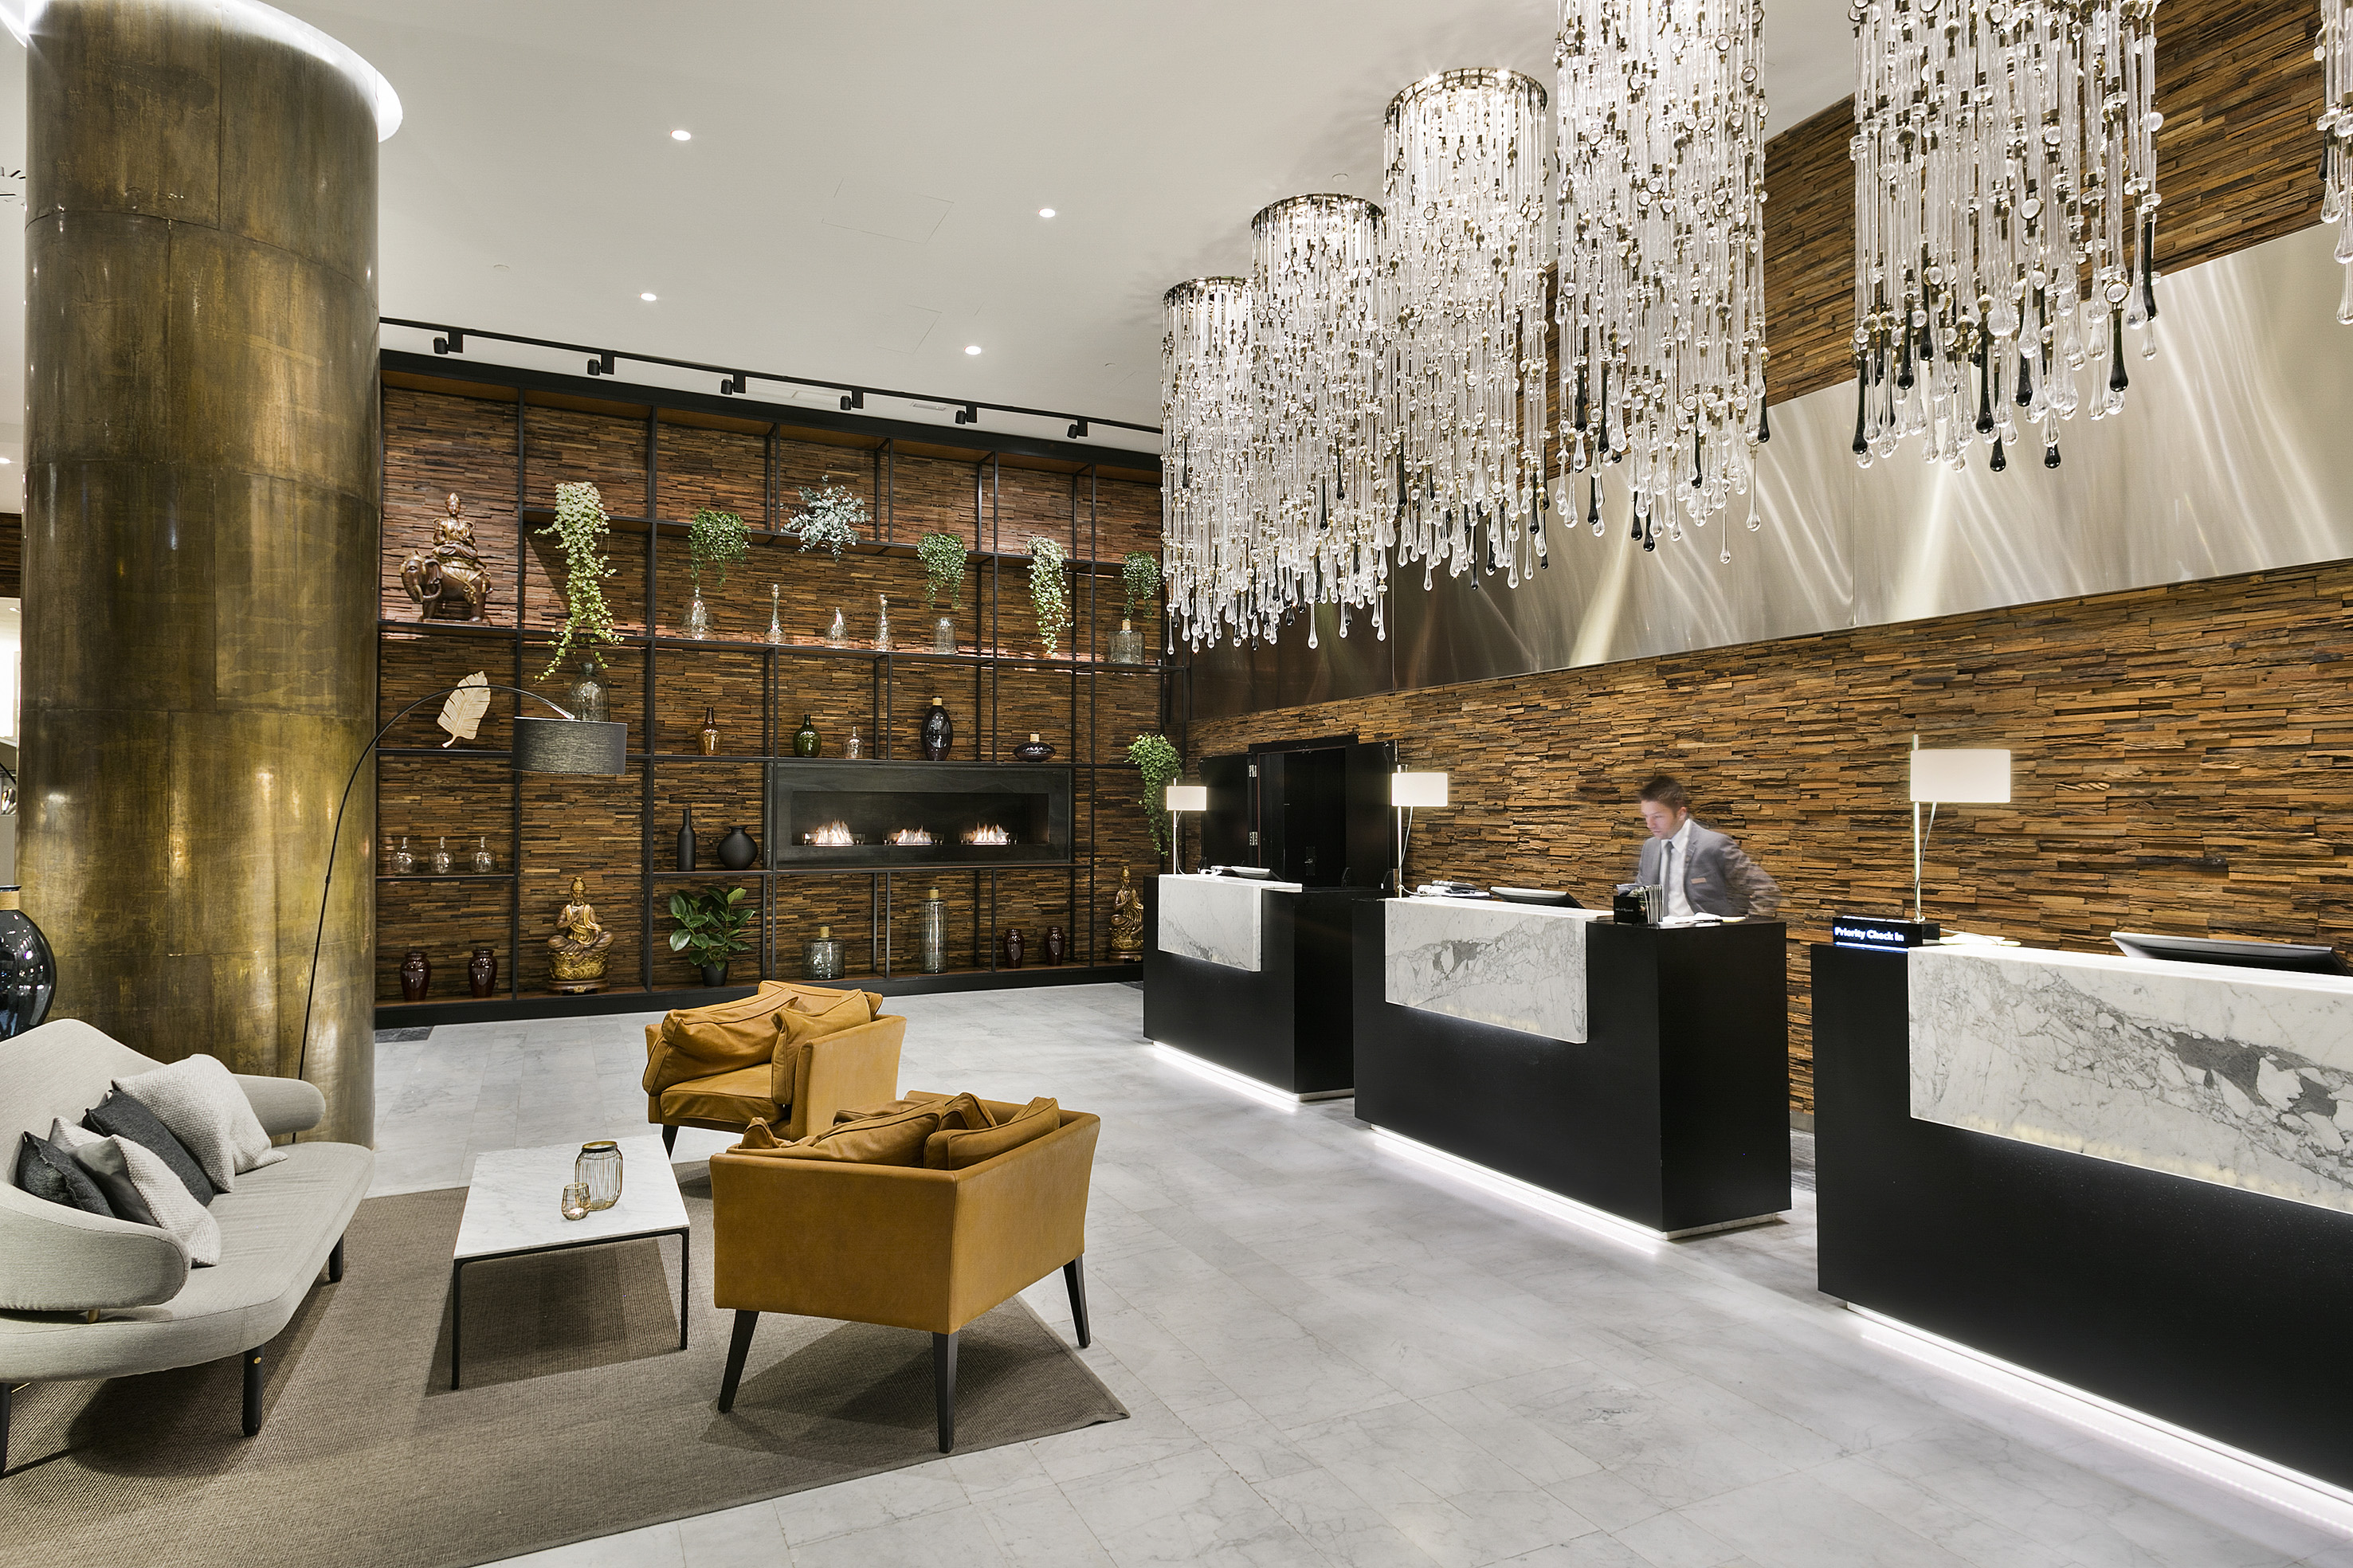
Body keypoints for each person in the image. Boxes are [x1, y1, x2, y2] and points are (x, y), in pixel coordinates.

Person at [1633, 774, 1781, 919]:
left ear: (1681, 813)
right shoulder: (1650, 847)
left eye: (1657, 817)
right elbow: (1639, 895)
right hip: (1657, 938)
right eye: (1646, 816)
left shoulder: (1713, 845)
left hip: (1705, 938)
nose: (1649, 824)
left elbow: (1766, 889)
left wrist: (1750, 930)